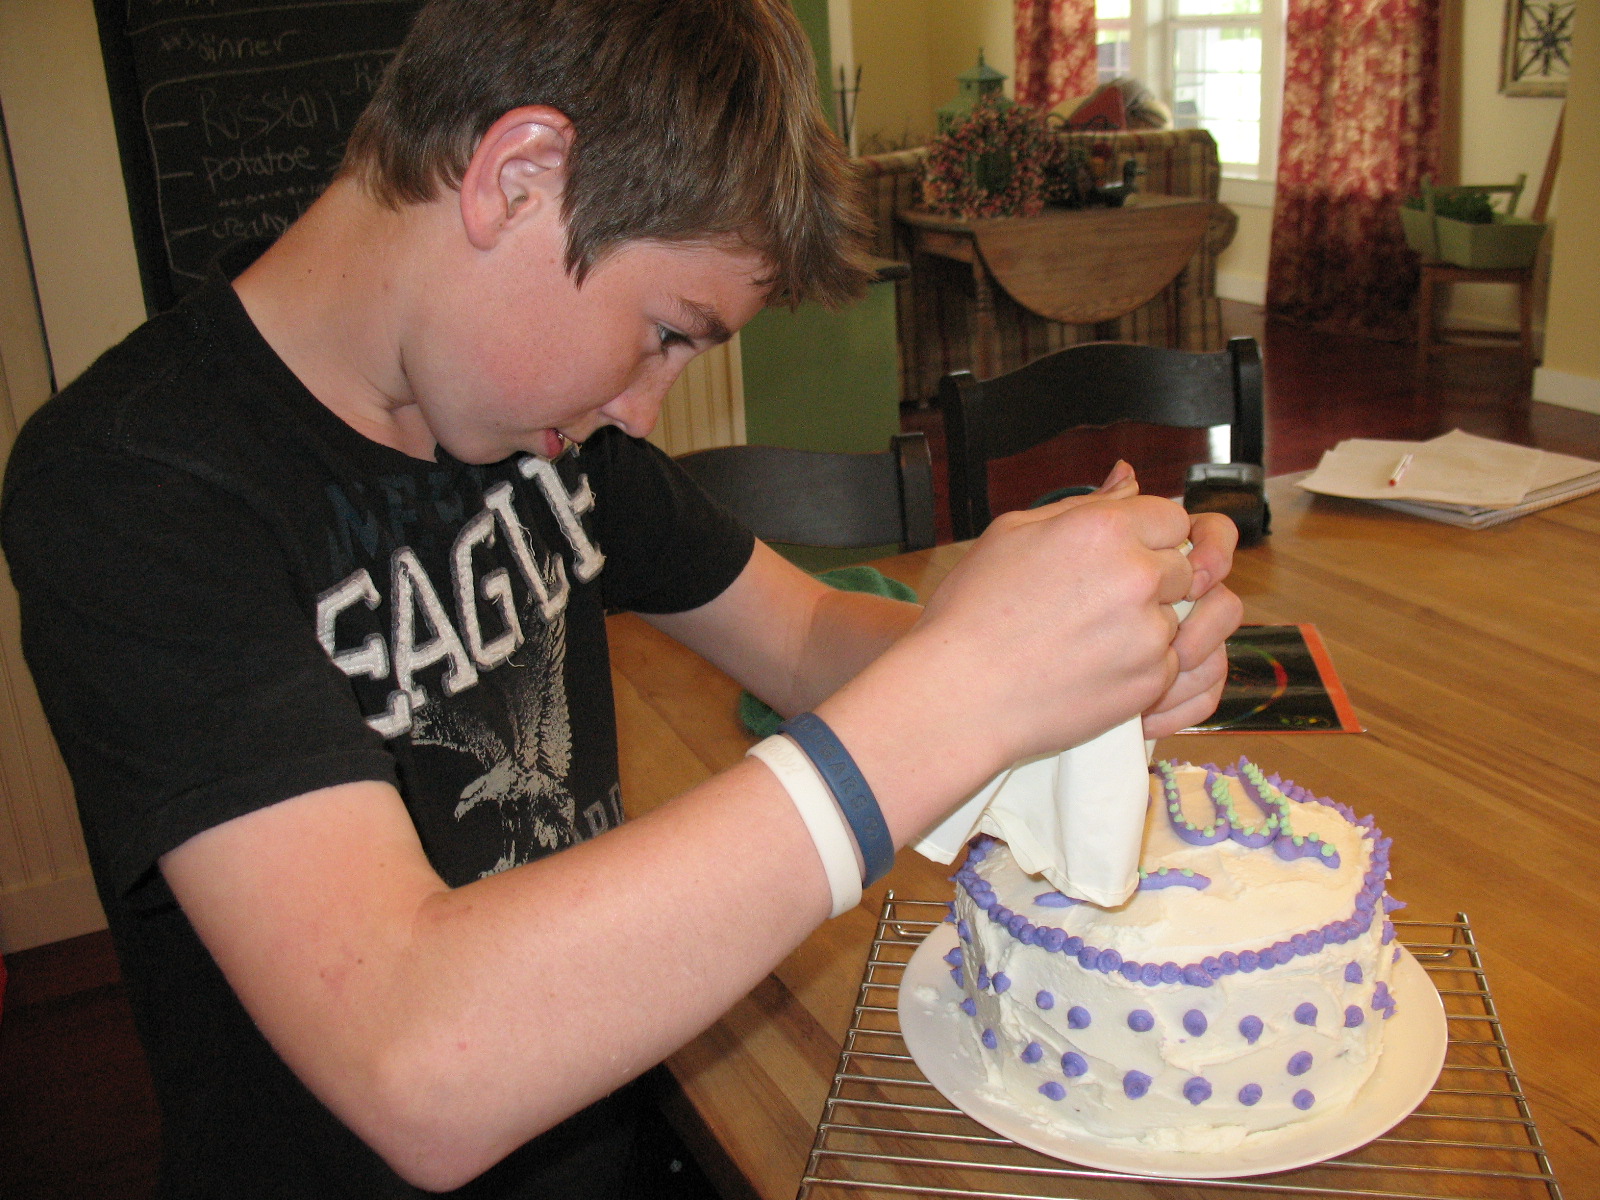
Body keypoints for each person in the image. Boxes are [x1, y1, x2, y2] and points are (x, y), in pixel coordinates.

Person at [0, 0, 1242, 1195]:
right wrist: (960, 694)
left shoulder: (547, 442)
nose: (646, 412)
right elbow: (414, 1056)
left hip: (632, 1131)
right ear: (520, 175)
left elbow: (805, 635)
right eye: (666, 332)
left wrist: (1044, 666)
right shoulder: (132, 485)